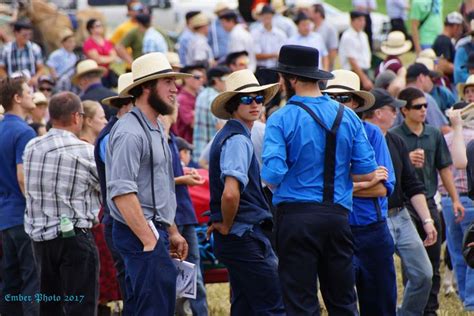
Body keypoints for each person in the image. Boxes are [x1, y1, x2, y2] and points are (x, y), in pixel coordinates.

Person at [262, 45, 378, 315]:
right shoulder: (347, 115)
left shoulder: (280, 118)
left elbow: (273, 175)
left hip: (296, 217)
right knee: (343, 301)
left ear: (291, 79)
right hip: (337, 216)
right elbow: (367, 172)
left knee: (300, 301)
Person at [106, 52, 189, 315]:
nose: (175, 88)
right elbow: (121, 191)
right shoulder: (129, 132)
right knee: (152, 308)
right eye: (167, 81)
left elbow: (162, 186)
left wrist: (172, 230)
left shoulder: (155, 127)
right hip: (138, 232)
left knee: (157, 305)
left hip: (153, 229)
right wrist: (149, 239)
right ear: (146, 87)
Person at [206, 69, 285, 315]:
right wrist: (227, 225)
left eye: (259, 98)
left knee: (245, 305)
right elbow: (230, 193)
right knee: (273, 306)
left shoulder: (233, 135)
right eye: (246, 99)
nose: (254, 104)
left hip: (240, 235)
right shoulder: (238, 140)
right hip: (243, 235)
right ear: (232, 104)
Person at [324, 71, 397, 316]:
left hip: (370, 230)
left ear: (355, 102)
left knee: (380, 306)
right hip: (335, 230)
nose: (336, 103)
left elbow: (382, 188)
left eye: (343, 98)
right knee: (341, 307)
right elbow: (322, 190)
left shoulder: (372, 133)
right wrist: (363, 183)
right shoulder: (319, 135)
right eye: (330, 97)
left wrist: (340, 187)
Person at [23, 92, 100, 315]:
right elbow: (107, 189)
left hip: (41, 240)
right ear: (77, 117)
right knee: (81, 307)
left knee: (50, 306)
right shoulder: (86, 152)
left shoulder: (32, 147)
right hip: (75, 237)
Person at [362, 88, 436, 316]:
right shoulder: (361, 141)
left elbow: (411, 184)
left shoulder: (396, 140)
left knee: (424, 274)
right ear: (377, 113)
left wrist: (426, 219)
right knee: (383, 281)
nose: (396, 113)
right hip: (376, 216)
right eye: (392, 108)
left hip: (401, 215)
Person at [392, 86, 465, 316]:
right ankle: (413, 308)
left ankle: (430, 309)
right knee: (411, 264)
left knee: (433, 262)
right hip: (404, 205)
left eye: (425, 105)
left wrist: (454, 199)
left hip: (428, 201)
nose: (424, 110)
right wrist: (406, 161)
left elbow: (444, 169)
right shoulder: (394, 136)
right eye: (418, 107)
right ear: (404, 110)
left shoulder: (433, 134)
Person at [160, 107, 208, 316]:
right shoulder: (158, 138)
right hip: (169, 216)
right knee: (178, 273)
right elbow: (151, 183)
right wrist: (183, 180)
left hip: (183, 214)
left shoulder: (172, 138)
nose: (177, 108)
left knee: (193, 272)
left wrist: (184, 175)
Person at [95, 73, 134, 315]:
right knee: (132, 284)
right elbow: (124, 184)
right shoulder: (112, 137)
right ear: (129, 103)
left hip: (125, 218)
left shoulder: (122, 132)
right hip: (122, 219)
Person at [0, 76, 39, 316]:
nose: (32, 94)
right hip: (22, 216)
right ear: (17, 98)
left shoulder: (1, 128)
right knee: (32, 282)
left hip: (5, 216)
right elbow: (23, 176)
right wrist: (35, 210)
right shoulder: (24, 131)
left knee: (10, 282)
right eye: (28, 91)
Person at [438, 105, 474, 311]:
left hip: (449, 199)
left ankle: (464, 297)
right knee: (472, 251)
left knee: (457, 251)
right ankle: (470, 300)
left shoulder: (447, 138)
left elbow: (441, 169)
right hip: (467, 200)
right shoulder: (469, 138)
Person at [193, 66, 230, 161]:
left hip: (199, 152)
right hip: (211, 157)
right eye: (225, 79)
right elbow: (222, 127)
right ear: (215, 80)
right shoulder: (216, 99)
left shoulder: (202, 94)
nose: (228, 82)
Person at [0, 20, 44, 86]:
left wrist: (35, 78)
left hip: (30, 83)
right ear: (16, 33)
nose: (27, 37)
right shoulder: (6, 49)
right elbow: (1, 68)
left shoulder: (35, 48)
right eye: (24, 35)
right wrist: (8, 80)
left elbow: (41, 68)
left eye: (29, 35)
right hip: (12, 84)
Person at [252, 4, 287, 84]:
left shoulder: (280, 34)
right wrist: (274, 55)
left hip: (275, 70)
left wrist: (281, 75)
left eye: (269, 15)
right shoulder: (255, 33)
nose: (267, 18)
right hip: (261, 70)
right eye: (265, 15)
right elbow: (256, 55)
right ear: (261, 16)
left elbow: (282, 57)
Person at [339, 11, 373, 91]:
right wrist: (364, 79)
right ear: (352, 21)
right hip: (353, 72)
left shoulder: (363, 35)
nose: (362, 23)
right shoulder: (348, 36)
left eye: (364, 20)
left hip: (365, 70)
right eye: (359, 20)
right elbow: (352, 60)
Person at [174, 65, 206, 144]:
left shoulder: (199, 96)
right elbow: (194, 123)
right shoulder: (182, 99)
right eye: (197, 77)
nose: (201, 80)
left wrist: (196, 113)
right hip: (186, 145)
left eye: (202, 77)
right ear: (186, 78)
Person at [83, 18, 118, 88]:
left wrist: (103, 58)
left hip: (107, 75)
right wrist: (109, 58)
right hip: (95, 76)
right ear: (91, 29)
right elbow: (97, 60)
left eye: (101, 25)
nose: (101, 27)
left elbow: (114, 57)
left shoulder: (107, 41)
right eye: (98, 26)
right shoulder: (89, 43)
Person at [433, 12, 464, 79]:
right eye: (461, 27)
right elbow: (443, 64)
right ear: (456, 26)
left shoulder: (444, 40)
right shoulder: (444, 41)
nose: (461, 31)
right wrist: (462, 70)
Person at [46, 28, 78, 93]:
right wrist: (57, 80)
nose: (72, 44)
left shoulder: (74, 56)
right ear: (63, 43)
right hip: (59, 83)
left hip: (71, 83)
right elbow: (51, 69)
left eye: (73, 41)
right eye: (69, 41)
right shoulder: (56, 54)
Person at [309, 4, 338, 71]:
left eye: (311, 12)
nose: (308, 14)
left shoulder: (329, 28)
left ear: (318, 14)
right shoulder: (311, 27)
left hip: (325, 67)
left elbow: (333, 50)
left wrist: (328, 68)